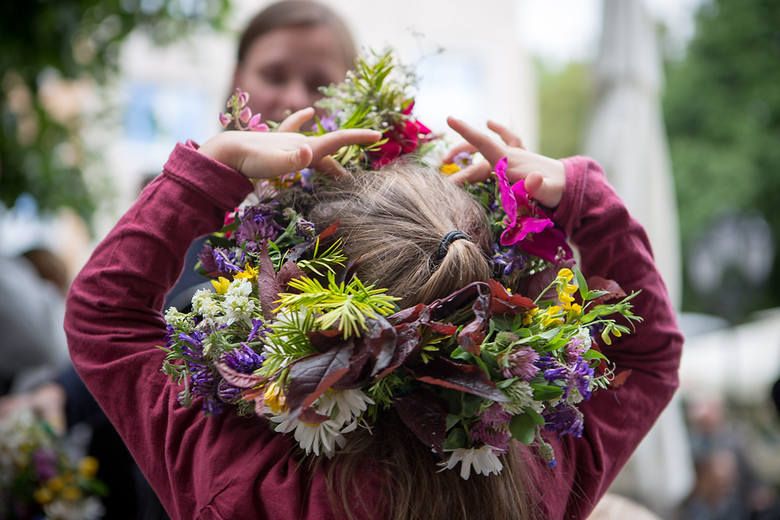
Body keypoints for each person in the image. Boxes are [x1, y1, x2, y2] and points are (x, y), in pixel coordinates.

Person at [64, 103, 683, 519]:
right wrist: (581, 195)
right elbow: (649, 360)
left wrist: (213, 165)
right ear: (495, 312)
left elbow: (103, 319)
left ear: (305, 310)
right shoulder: (537, 476)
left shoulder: (242, 483)